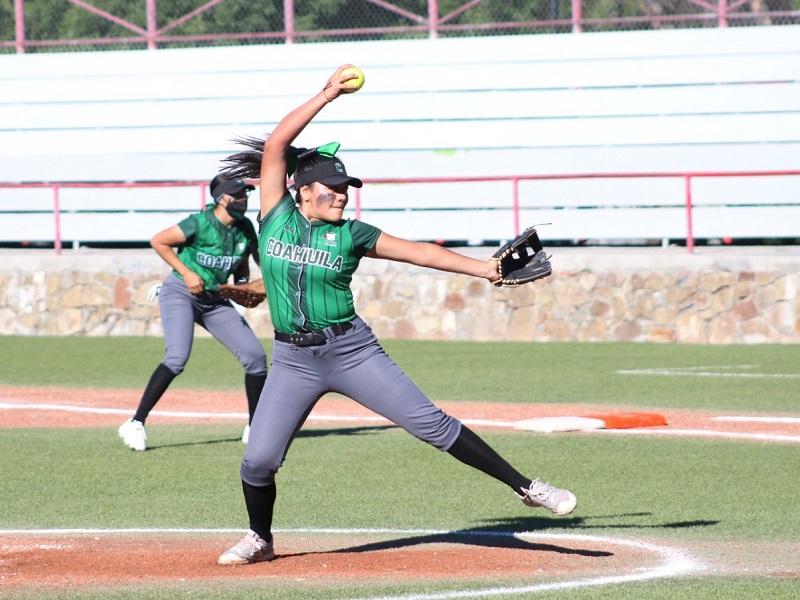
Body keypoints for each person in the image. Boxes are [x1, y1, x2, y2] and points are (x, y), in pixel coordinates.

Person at [216, 65, 576, 565]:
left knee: (431, 425)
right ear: (301, 192)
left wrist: (486, 269)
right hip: (294, 360)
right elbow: (277, 145)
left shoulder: (353, 234)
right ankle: (261, 538)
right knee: (257, 459)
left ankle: (527, 487)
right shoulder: (275, 214)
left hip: (350, 351)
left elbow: (418, 252)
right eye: (331, 188)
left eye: (345, 188)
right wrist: (326, 95)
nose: (341, 194)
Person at [118, 175, 267, 452]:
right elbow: (159, 241)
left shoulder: (245, 229)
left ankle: (255, 427)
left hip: (214, 298)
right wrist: (187, 273)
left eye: (246, 194)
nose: (243, 199)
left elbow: (245, 264)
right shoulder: (199, 223)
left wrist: (243, 287)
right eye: (237, 194)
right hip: (181, 293)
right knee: (177, 358)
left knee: (256, 358)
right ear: (221, 198)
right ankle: (136, 422)